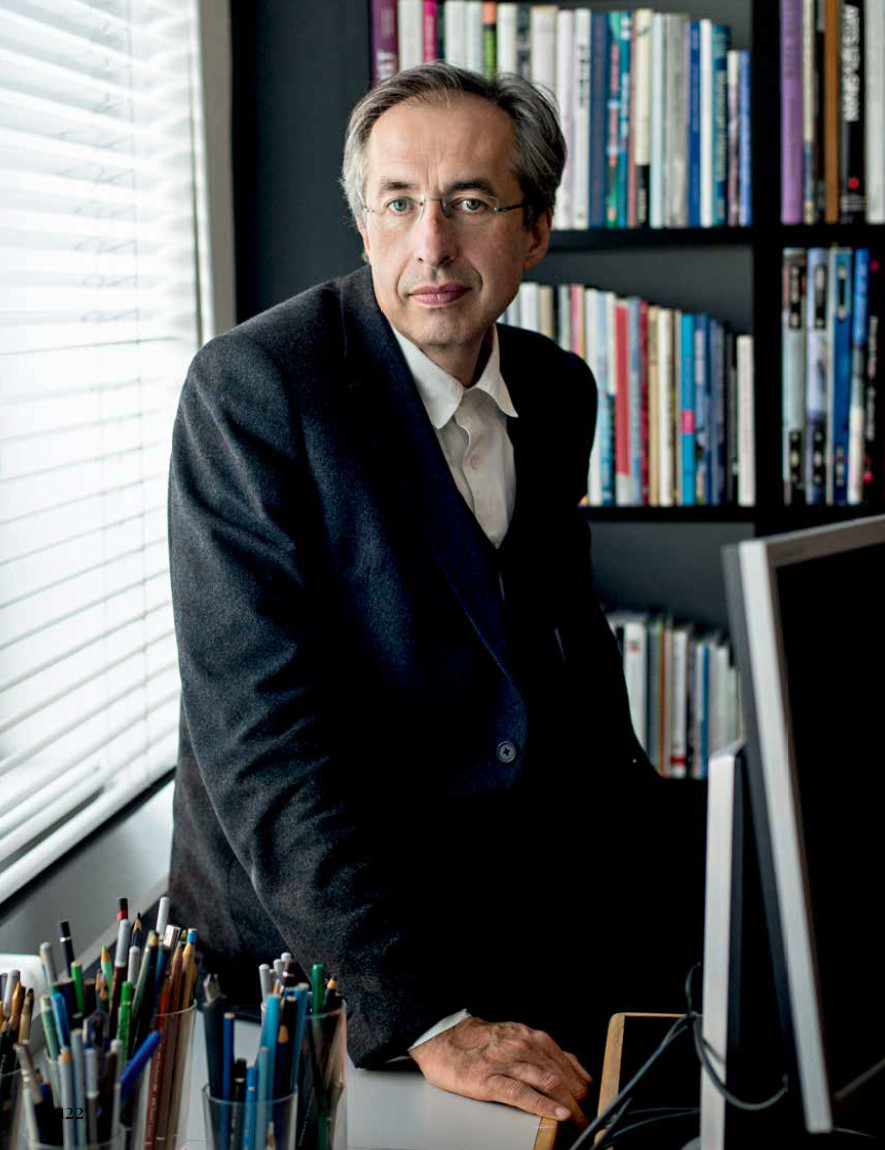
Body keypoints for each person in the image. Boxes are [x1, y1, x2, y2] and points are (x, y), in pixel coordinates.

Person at [168, 62, 706, 1128]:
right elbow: (263, 745)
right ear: (362, 223)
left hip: (509, 929)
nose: (432, 245)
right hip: (322, 975)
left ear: (534, 230)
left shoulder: (557, 389)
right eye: (399, 202)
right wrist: (425, 1017)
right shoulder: (251, 392)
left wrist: (700, 873)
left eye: (469, 202)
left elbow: (560, 658)